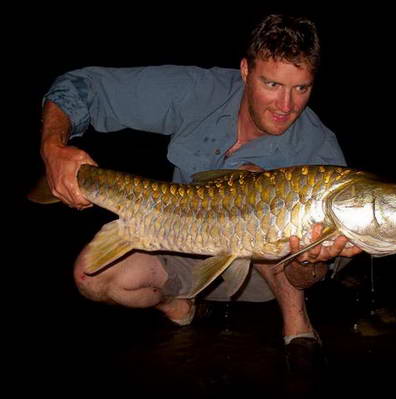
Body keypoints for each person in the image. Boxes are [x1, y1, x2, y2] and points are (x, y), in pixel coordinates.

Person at [40, 14, 362, 371]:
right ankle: (180, 304)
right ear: (244, 71)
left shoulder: (322, 156)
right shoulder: (199, 91)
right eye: (272, 84)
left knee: (269, 215)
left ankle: (297, 326)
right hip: (184, 235)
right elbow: (81, 86)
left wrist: (310, 261)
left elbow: (312, 276)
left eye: (301, 88)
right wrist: (54, 148)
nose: (286, 106)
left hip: (268, 273)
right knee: (92, 277)